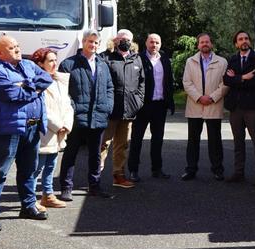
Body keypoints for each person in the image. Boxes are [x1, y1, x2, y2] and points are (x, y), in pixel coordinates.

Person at [0, 35, 53, 231]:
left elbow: (46, 78)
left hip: (32, 126)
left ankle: (28, 206)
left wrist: (25, 86)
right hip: (7, 129)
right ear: (0, 53)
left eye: (18, 46)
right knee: (0, 171)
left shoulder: (28, 65)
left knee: (29, 169)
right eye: (12, 48)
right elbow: (12, 95)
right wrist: (34, 89)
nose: (18, 49)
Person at [57, 29, 115, 200]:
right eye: (90, 41)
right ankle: (66, 188)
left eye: (96, 43)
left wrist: (107, 107)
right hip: (76, 118)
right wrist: (72, 109)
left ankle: (95, 187)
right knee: (71, 153)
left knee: (95, 155)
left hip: (98, 117)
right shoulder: (68, 64)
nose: (93, 45)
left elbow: (109, 88)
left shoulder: (103, 65)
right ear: (83, 42)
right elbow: (63, 91)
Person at [98, 29, 145, 189]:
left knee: (122, 145)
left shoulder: (136, 58)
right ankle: (95, 177)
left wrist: (138, 101)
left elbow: (142, 83)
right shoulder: (105, 57)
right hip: (110, 110)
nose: (125, 41)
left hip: (129, 110)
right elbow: (100, 83)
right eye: (122, 39)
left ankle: (119, 176)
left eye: (128, 39)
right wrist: (105, 104)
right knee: (103, 144)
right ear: (116, 40)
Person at [181, 33, 229, 181]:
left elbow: (225, 83)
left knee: (215, 140)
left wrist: (212, 97)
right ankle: (191, 170)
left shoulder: (222, 62)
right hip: (195, 106)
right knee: (193, 140)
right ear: (198, 45)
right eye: (201, 42)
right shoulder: (190, 61)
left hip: (213, 105)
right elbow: (187, 82)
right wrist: (199, 97)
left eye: (207, 42)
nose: (204, 44)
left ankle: (217, 169)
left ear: (211, 44)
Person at [128, 33, 175, 181]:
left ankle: (157, 169)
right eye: (151, 42)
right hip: (143, 106)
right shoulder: (138, 58)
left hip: (160, 106)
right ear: (146, 43)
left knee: (157, 140)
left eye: (157, 43)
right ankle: (133, 171)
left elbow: (169, 82)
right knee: (136, 140)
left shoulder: (165, 60)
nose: (154, 45)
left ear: (160, 44)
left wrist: (170, 102)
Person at [30, 47, 73, 209]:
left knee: (51, 165)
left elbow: (68, 105)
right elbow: (41, 108)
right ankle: (30, 198)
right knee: (37, 167)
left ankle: (48, 195)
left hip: (59, 131)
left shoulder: (59, 80)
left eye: (56, 60)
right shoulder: (38, 81)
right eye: (50, 61)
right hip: (45, 130)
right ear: (40, 64)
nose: (55, 63)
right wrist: (57, 125)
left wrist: (67, 125)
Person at [223, 30, 255, 186]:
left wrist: (235, 78)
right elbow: (226, 80)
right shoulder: (232, 59)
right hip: (235, 108)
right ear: (236, 43)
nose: (244, 41)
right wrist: (243, 77)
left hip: (253, 108)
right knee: (238, 143)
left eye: (246, 38)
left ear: (250, 41)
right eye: (240, 39)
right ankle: (238, 172)